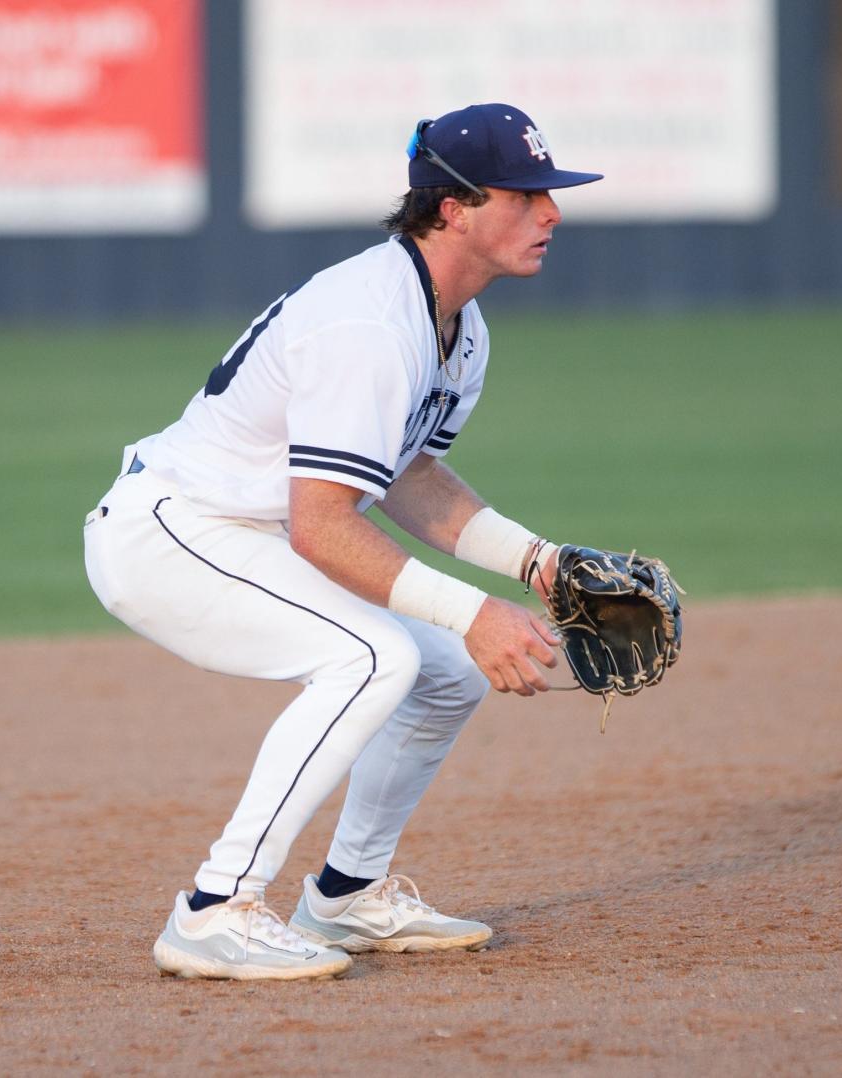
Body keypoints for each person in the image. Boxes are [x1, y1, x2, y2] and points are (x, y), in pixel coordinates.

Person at [83, 103, 602, 982]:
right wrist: (474, 610)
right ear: (454, 208)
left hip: (250, 532)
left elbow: (407, 477)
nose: (551, 212)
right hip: (173, 532)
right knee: (372, 658)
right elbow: (325, 528)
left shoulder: (456, 323)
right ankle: (215, 908)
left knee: (441, 677)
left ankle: (344, 897)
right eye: (526, 195)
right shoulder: (370, 321)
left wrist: (536, 561)